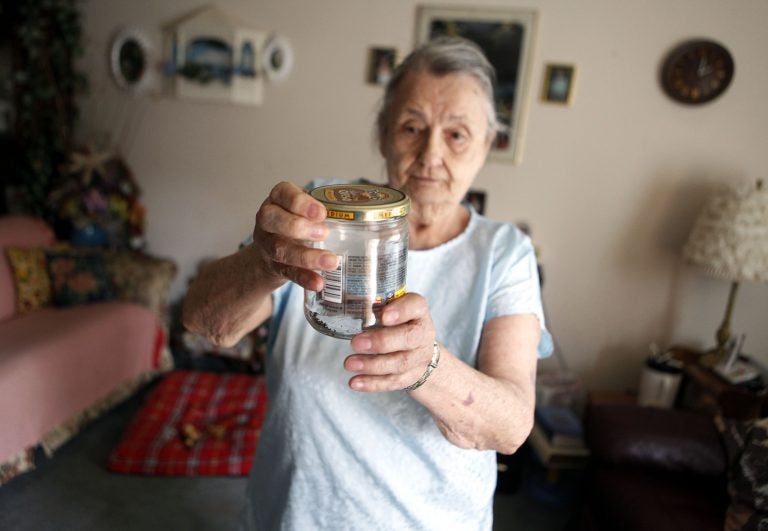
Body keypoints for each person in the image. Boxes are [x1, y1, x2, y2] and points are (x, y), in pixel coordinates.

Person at [182, 36, 552, 530]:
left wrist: (427, 365)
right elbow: (207, 323)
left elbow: (510, 426)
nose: (430, 155)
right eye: (411, 126)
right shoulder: (321, 213)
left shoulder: (504, 253)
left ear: (487, 145)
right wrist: (266, 261)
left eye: (458, 135)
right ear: (382, 134)